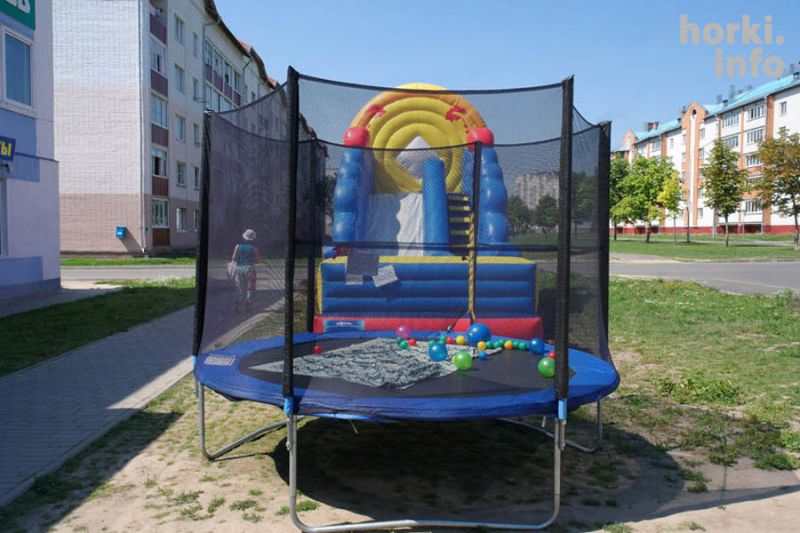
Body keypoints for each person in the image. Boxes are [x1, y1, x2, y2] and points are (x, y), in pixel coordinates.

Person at [231, 229, 260, 307]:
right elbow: (258, 260)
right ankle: (248, 304)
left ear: (244, 237)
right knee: (250, 287)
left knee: (240, 287)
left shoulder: (237, 246)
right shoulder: (254, 248)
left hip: (239, 268)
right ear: (253, 238)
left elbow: (234, 257)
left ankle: (239, 302)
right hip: (249, 268)